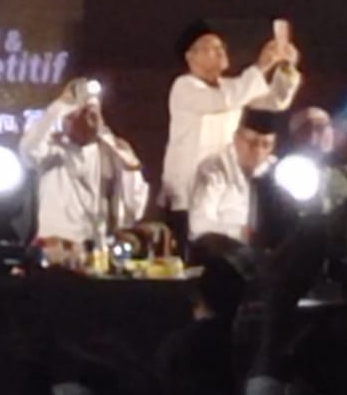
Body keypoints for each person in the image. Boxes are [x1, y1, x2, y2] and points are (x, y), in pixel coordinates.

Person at [160, 19, 301, 228]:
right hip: (188, 193)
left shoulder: (231, 87)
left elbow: (275, 101)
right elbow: (225, 100)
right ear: (191, 56)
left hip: (222, 188)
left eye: (221, 46)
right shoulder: (184, 86)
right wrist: (261, 66)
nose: (220, 51)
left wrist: (285, 68)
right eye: (211, 48)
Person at [20, 78, 149, 256]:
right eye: (77, 115)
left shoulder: (110, 152)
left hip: (95, 251)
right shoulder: (52, 150)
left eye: (91, 114)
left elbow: (135, 206)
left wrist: (110, 140)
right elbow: (28, 150)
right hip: (55, 249)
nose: (85, 119)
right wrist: (60, 105)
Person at [187, 108, 281, 243]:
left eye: (266, 144)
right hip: (224, 247)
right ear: (236, 138)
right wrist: (242, 233)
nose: (258, 150)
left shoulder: (277, 170)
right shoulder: (214, 168)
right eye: (252, 142)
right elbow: (198, 223)